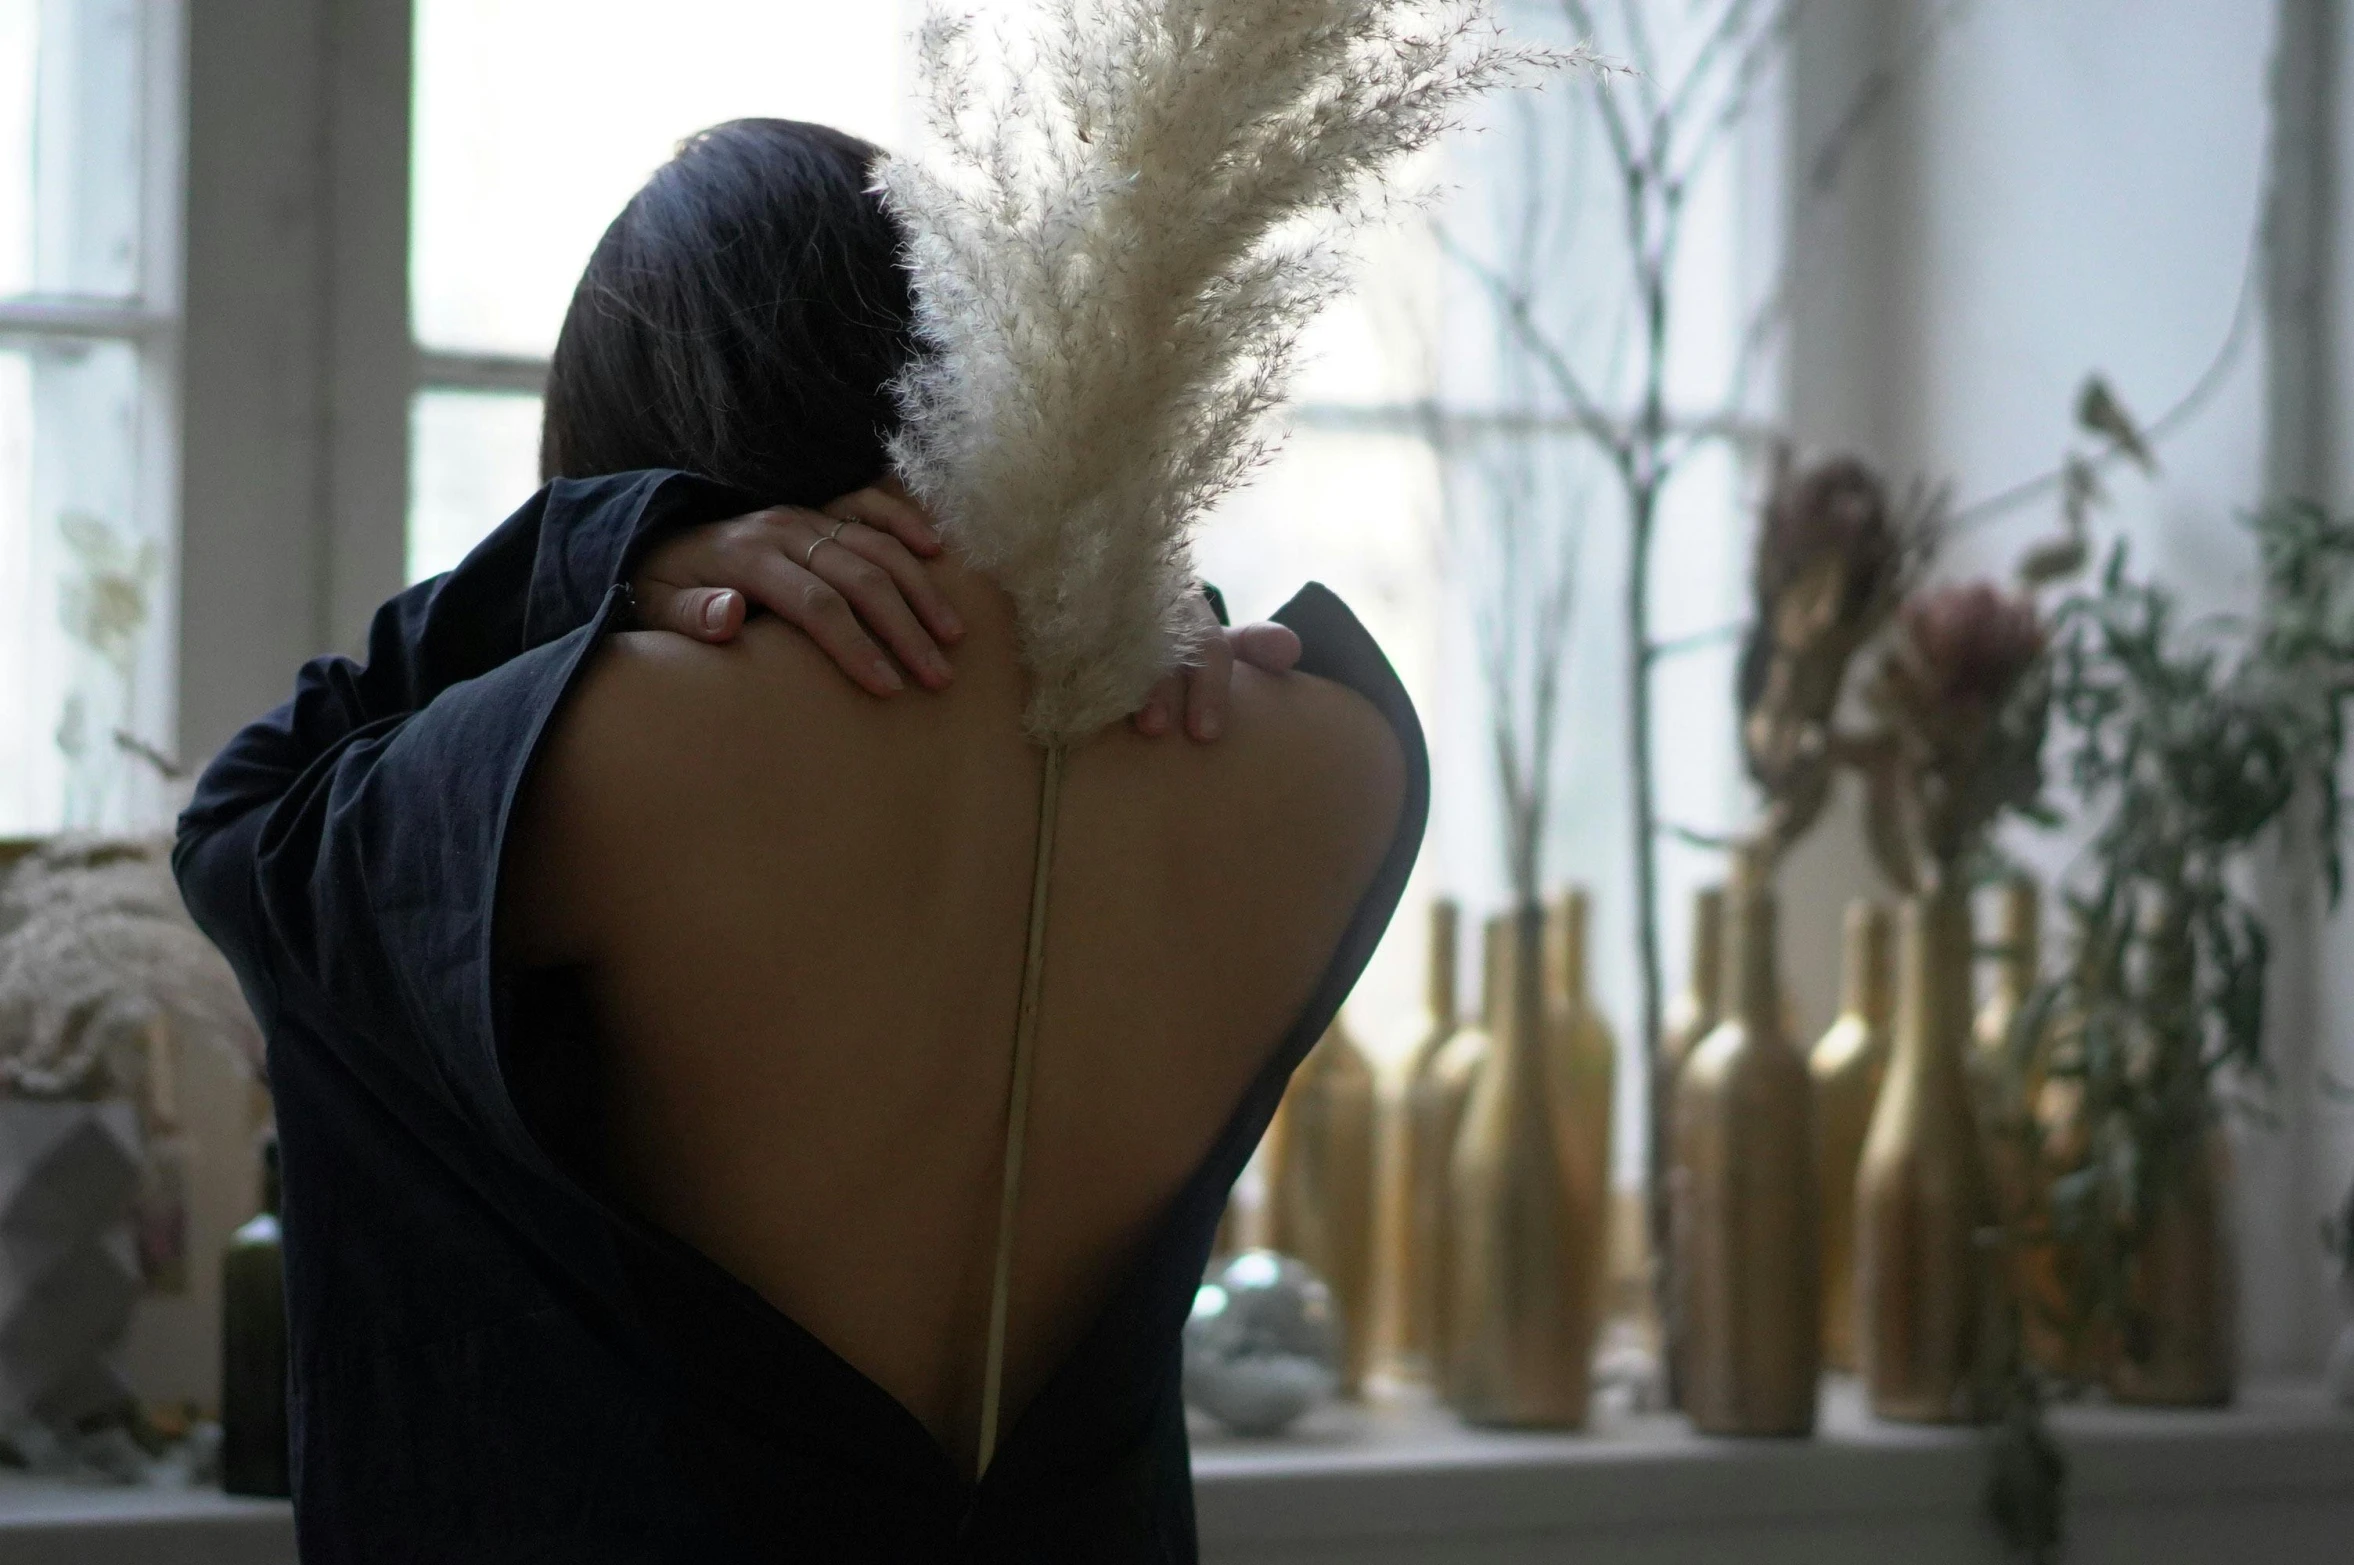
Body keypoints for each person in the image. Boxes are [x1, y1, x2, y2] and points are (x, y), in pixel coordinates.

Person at [176, 118, 1426, 1562]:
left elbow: (241, 816)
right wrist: (1126, 588)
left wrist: (591, 559)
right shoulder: (1321, 751)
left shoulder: (633, 740)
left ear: (654, 448)